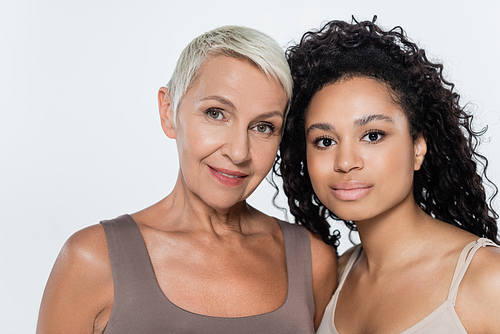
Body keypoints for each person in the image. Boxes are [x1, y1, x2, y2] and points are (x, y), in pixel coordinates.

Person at [36, 26, 337, 334]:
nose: (238, 152)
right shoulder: (92, 260)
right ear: (169, 111)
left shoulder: (313, 262)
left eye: (263, 127)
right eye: (216, 113)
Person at [276, 18, 500, 333]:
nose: (345, 162)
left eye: (373, 135)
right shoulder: (331, 281)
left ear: (418, 146)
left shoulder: (489, 281)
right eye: (325, 141)